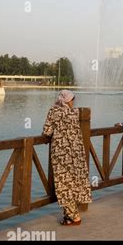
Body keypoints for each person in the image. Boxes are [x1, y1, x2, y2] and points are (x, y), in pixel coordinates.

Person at [42, 90, 92, 225]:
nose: (72, 102)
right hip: (76, 153)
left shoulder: (54, 111)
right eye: (71, 99)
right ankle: (68, 216)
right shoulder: (74, 112)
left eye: (72, 99)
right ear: (66, 100)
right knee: (73, 182)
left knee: (63, 183)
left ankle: (74, 217)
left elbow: (47, 131)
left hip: (61, 153)